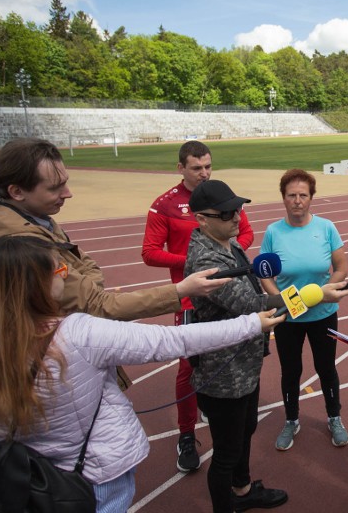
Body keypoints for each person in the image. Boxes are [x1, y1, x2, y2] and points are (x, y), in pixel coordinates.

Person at [0, 235, 284, 512]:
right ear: (36, 286)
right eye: (59, 271)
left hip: (9, 481)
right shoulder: (79, 334)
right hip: (94, 477)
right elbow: (172, 340)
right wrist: (252, 323)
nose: (65, 276)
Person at [0, 137, 228, 391]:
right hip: (52, 370)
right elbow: (100, 304)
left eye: (65, 183)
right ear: (16, 191)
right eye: (55, 187)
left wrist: (83, 286)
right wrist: (182, 290)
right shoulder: (23, 244)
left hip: (66, 357)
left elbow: (87, 266)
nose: (67, 194)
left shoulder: (33, 219)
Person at [141, 140, 255, 473]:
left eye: (208, 166)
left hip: (228, 287)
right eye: (196, 168)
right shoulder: (164, 204)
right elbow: (149, 252)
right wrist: (195, 262)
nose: (204, 173)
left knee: (235, 351)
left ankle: (215, 410)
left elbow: (244, 233)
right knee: (189, 366)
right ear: (181, 169)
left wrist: (226, 256)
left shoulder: (223, 198)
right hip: (190, 295)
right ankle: (187, 434)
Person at [184, 179, 287, 512]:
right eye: (227, 212)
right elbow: (250, 303)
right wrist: (311, 297)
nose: (236, 217)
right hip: (223, 374)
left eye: (238, 208)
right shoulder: (206, 262)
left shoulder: (227, 244)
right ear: (201, 218)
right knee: (226, 451)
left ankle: (242, 492)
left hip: (244, 365)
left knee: (246, 431)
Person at [259, 168, 348, 451]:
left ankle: (334, 416)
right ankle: (291, 420)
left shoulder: (326, 228)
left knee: (326, 368)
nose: (297, 200)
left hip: (323, 313)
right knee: (291, 370)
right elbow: (264, 273)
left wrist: (324, 295)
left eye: (302, 195)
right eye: (291, 195)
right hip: (289, 316)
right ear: (283, 198)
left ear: (311, 198)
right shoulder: (273, 232)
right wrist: (282, 300)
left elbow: (342, 268)